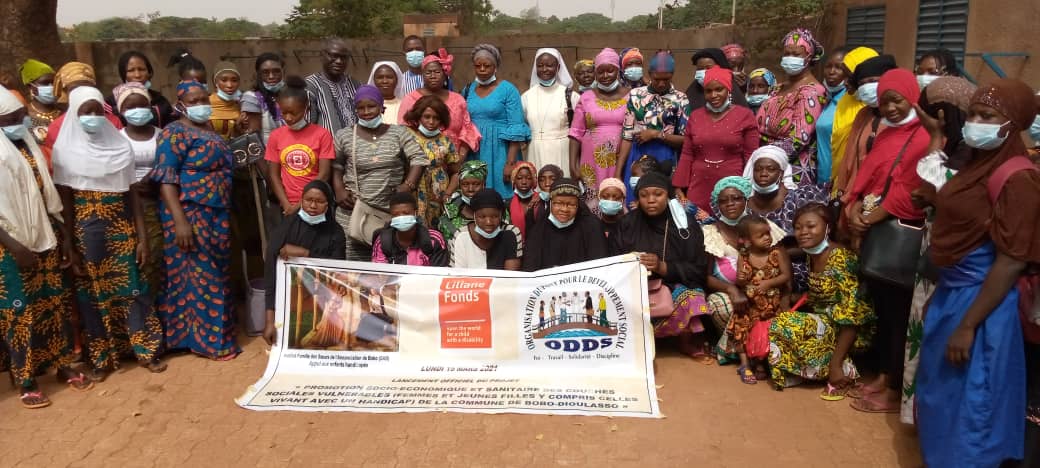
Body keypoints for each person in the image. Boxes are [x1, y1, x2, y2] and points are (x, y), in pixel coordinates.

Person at [916, 78, 1039, 467]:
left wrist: (969, 325)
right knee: (943, 397)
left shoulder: (1018, 178)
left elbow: (1010, 260)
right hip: (954, 293)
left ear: (1012, 123)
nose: (975, 123)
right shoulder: (974, 164)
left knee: (974, 405)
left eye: (988, 116)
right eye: (971, 114)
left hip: (983, 306)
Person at [52, 86, 164, 378]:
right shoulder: (64, 153)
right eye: (85, 112)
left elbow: (132, 197)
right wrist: (69, 244)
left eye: (97, 111)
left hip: (121, 228)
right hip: (87, 232)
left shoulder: (119, 147)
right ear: (74, 115)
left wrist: (141, 238)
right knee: (93, 295)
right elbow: (65, 202)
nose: (92, 117)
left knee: (134, 289)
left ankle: (146, 350)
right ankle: (102, 359)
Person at [0, 88, 94, 408]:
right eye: (10, 120)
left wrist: (65, 236)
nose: (18, 122)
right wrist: (13, 245)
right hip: (11, 246)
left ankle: (62, 363)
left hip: (46, 235)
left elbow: (48, 196)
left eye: (20, 117)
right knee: (20, 312)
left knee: (54, 304)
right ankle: (26, 379)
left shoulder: (28, 143)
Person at [844, 69, 930, 413]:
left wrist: (869, 216)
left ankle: (894, 386)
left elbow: (912, 187)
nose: (891, 108)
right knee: (882, 310)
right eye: (885, 102)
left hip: (896, 230)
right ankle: (883, 375)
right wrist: (852, 209)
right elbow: (868, 175)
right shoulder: (887, 133)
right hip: (873, 227)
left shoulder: (922, 137)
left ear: (912, 96)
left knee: (898, 315)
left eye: (897, 99)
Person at [151, 80, 239, 360]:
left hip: (217, 212)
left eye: (204, 99)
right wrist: (180, 222)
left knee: (216, 273)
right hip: (189, 212)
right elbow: (166, 179)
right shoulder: (173, 134)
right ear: (180, 104)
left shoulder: (208, 129)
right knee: (201, 275)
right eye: (193, 100)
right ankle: (212, 343)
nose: (201, 105)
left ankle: (191, 338)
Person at [768, 203, 874, 394]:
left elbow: (853, 314)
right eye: (798, 228)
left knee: (784, 324)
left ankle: (840, 368)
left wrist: (835, 364)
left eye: (810, 226)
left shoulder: (841, 258)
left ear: (828, 228)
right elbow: (821, 297)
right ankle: (812, 371)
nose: (803, 232)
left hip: (851, 330)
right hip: (828, 322)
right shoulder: (813, 255)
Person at [614, 171, 712, 360]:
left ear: (668, 196)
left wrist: (662, 267)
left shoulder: (684, 225)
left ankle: (685, 341)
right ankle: (634, 342)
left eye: (657, 194)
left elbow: (698, 270)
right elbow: (613, 261)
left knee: (692, 297)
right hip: (633, 286)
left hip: (670, 285)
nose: (651, 200)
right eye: (644, 195)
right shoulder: (627, 223)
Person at [333, 85, 427, 259]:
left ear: (381, 108)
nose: (366, 112)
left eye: (371, 106)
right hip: (354, 210)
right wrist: (339, 189)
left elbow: (418, 158)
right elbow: (336, 165)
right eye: (361, 108)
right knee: (354, 263)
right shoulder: (345, 135)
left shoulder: (399, 133)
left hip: (389, 212)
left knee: (388, 258)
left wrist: (408, 186)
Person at [702, 177, 787, 362]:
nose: (730, 204)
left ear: (746, 199)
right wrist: (732, 289)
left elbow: (782, 264)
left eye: (736, 198)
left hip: (765, 292)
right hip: (730, 293)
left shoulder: (763, 226)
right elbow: (705, 276)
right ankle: (740, 350)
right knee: (720, 305)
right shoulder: (710, 232)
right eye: (723, 201)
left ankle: (754, 350)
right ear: (717, 205)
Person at [261, 180, 346, 345]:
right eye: (308, 200)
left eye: (320, 201)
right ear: (301, 201)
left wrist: (305, 254)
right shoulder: (286, 228)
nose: (313, 206)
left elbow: (338, 269)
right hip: (290, 303)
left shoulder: (335, 233)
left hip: (321, 304)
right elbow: (271, 277)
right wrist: (270, 321)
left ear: (328, 204)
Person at [673, 67, 759, 211]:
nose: (714, 95)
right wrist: (678, 187)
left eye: (719, 89)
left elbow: (751, 156)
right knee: (699, 229)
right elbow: (687, 154)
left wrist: (751, 187)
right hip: (698, 186)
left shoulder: (745, 116)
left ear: (728, 89)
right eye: (708, 91)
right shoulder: (695, 116)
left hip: (733, 187)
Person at [743, 145, 827, 291]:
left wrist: (771, 258)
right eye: (758, 169)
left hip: (795, 266)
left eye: (771, 169)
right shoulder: (743, 204)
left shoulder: (798, 199)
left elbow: (814, 242)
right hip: (754, 267)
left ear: (781, 173)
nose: (763, 173)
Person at [115, 83, 165, 315]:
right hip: (133, 204)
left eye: (142, 105)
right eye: (131, 106)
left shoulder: (162, 135)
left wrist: (155, 179)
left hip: (162, 199)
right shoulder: (117, 139)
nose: (138, 110)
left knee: (163, 257)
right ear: (121, 111)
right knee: (145, 259)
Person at [616, 50, 690, 206]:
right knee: (635, 200)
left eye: (667, 79)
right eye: (657, 79)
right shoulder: (636, 95)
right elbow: (627, 135)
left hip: (666, 157)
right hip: (638, 156)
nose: (662, 83)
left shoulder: (680, 99)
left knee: (659, 202)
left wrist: (656, 134)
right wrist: (618, 173)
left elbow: (686, 140)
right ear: (649, 74)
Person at [757, 29, 827, 187]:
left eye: (796, 54)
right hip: (763, 166)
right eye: (787, 53)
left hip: (791, 171)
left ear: (809, 57)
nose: (790, 58)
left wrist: (764, 156)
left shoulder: (812, 92)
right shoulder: (777, 88)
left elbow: (798, 139)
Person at [463, 44, 531, 198]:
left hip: (501, 151)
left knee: (502, 194)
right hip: (475, 152)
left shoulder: (508, 90)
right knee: (476, 193)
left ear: (495, 67)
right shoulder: (468, 90)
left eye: (487, 65)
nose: (482, 69)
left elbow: (516, 126)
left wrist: (510, 163)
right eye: (477, 66)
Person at [729, 215, 790, 384]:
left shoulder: (776, 253)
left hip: (771, 304)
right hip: (750, 304)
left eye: (768, 233)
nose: (767, 238)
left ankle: (761, 364)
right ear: (747, 240)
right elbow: (740, 282)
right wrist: (740, 278)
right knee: (742, 326)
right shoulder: (744, 255)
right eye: (761, 235)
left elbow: (786, 275)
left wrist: (769, 283)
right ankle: (745, 364)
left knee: (767, 331)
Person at [832, 55, 898, 205]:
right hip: (853, 196)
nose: (867, 87)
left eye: (874, 81)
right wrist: (841, 192)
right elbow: (849, 158)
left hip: (885, 200)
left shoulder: (901, 116)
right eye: (862, 83)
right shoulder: (863, 115)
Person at [264, 76, 334, 217]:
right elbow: (273, 174)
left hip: (314, 205)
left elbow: (324, 174)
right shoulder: (276, 136)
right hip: (286, 206)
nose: (289, 118)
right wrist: (286, 204)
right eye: (284, 113)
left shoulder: (322, 134)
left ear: (306, 109)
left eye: (294, 113)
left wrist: (301, 204)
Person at [569, 48, 628, 214]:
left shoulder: (630, 96)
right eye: (600, 71)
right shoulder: (587, 97)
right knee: (592, 198)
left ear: (618, 70)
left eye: (610, 70)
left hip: (620, 157)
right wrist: (572, 164)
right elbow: (575, 132)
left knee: (617, 193)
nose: (606, 75)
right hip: (591, 160)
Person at [398, 49, 481, 161]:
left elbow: (467, 128)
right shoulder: (411, 99)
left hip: (455, 160)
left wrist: (460, 157)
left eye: (437, 72)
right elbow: (404, 131)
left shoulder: (458, 99)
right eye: (428, 72)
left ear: (445, 74)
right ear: (422, 75)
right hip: (422, 160)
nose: (433, 76)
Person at [523, 178, 609, 271]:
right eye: (558, 203)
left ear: (578, 205)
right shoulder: (539, 230)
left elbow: (600, 267)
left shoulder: (592, 227)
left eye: (571, 204)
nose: (564, 209)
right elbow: (530, 269)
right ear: (551, 203)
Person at [403, 95, 461, 227]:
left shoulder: (445, 141)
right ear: (418, 116)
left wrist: (447, 194)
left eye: (436, 118)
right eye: (427, 117)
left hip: (438, 194)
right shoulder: (407, 136)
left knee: (436, 230)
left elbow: (456, 172)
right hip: (413, 190)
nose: (431, 122)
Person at [829, 47, 879, 189]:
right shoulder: (845, 101)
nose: (845, 82)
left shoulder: (879, 109)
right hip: (838, 179)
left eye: (850, 76)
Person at [43, 62, 123, 152]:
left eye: (86, 87)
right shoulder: (58, 127)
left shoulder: (113, 122)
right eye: (75, 89)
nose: (82, 92)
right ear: (65, 93)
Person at [521, 48, 573, 172]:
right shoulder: (526, 97)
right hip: (535, 150)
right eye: (540, 66)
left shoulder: (570, 96)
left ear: (558, 67)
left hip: (563, 149)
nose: (544, 69)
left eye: (549, 65)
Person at [449, 188, 523, 270]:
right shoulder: (461, 236)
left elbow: (510, 276)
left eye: (495, 216)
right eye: (482, 217)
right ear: (474, 216)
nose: (488, 222)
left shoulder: (511, 232)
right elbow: (457, 276)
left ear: (501, 215)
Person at [372, 191, 448, 266]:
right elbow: (380, 275)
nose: (401, 217)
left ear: (415, 213)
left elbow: (440, 275)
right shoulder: (382, 241)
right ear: (391, 216)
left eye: (406, 213)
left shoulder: (434, 239)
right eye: (396, 214)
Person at [106, 51, 177, 128]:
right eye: (131, 70)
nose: (137, 75)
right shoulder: (111, 103)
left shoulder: (160, 101)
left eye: (142, 69)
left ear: (149, 72)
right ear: (123, 74)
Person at [306, 39, 362, 135]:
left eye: (344, 57)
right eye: (334, 56)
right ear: (322, 56)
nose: (339, 61)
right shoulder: (310, 86)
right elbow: (308, 127)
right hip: (327, 148)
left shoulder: (355, 84)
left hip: (358, 147)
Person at [815, 47, 852, 186]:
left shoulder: (849, 102)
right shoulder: (825, 99)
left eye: (838, 67)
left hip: (840, 181)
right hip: (822, 179)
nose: (831, 72)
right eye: (828, 67)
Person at [438, 160, 491, 241]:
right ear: (460, 186)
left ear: (484, 185)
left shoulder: (494, 207)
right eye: (465, 184)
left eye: (476, 184)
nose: (470, 189)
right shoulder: (450, 210)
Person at [241, 52, 286, 143]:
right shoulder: (252, 98)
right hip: (267, 155)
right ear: (258, 74)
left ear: (283, 72)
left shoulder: (292, 95)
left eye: (276, 71)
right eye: (265, 72)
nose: (271, 76)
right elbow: (253, 135)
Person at [685, 48, 750, 111]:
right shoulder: (692, 91)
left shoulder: (733, 91)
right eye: (700, 69)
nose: (704, 72)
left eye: (708, 68)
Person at [19, 59, 60, 151]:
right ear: (30, 86)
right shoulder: (23, 117)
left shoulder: (65, 112)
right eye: (45, 83)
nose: (51, 87)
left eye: (53, 82)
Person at [208, 62, 246, 141]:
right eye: (224, 80)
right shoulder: (205, 103)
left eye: (234, 80)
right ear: (216, 82)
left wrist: (238, 128)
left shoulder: (241, 104)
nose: (229, 85)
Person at [526, 163, 563, 229]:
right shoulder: (534, 204)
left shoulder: (569, 201)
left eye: (552, 179)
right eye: (542, 180)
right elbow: (530, 231)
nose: (547, 183)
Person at [507, 161, 537, 238]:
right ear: (514, 181)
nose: (524, 182)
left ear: (534, 181)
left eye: (528, 178)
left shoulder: (540, 201)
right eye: (519, 178)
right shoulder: (507, 203)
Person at [597, 177, 626, 250]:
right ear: (599, 197)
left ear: (622, 200)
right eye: (605, 197)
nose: (610, 200)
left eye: (616, 197)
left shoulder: (628, 226)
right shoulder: (593, 226)